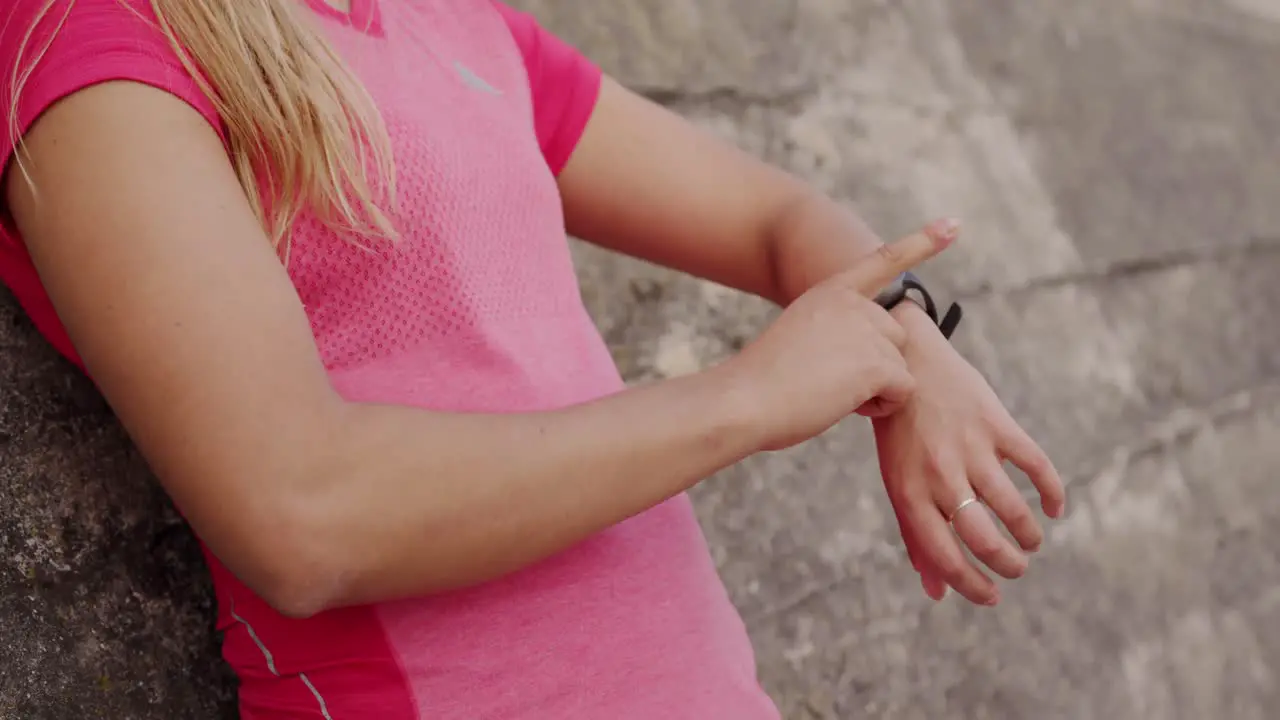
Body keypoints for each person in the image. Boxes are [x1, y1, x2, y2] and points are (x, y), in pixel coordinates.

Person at [0, 0, 1066, 717]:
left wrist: (912, 347)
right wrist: (745, 399)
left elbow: (772, 218)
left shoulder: (454, 20)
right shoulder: (90, 37)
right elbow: (299, 510)